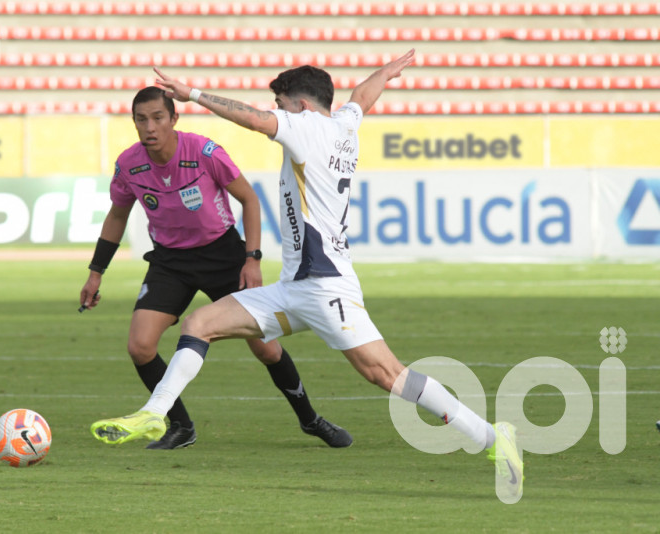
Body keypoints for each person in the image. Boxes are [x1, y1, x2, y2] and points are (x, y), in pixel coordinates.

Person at [89, 50, 523, 501]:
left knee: (387, 374)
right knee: (200, 325)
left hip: (325, 288)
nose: (276, 111)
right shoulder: (343, 124)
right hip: (295, 287)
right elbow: (362, 97)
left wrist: (193, 94)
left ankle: (492, 437)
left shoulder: (307, 126)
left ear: (299, 105)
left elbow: (254, 120)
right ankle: (155, 413)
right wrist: (386, 74)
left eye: (280, 103)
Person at [80, 86, 352, 450]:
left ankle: (310, 418)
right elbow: (117, 214)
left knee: (266, 350)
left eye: (158, 118)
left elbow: (249, 199)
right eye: (141, 120)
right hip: (170, 261)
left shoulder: (204, 152)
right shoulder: (129, 165)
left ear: (174, 119)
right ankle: (180, 426)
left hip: (223, 256)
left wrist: (251, 258)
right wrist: (96, 271)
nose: (150, 127)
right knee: (140, 346)